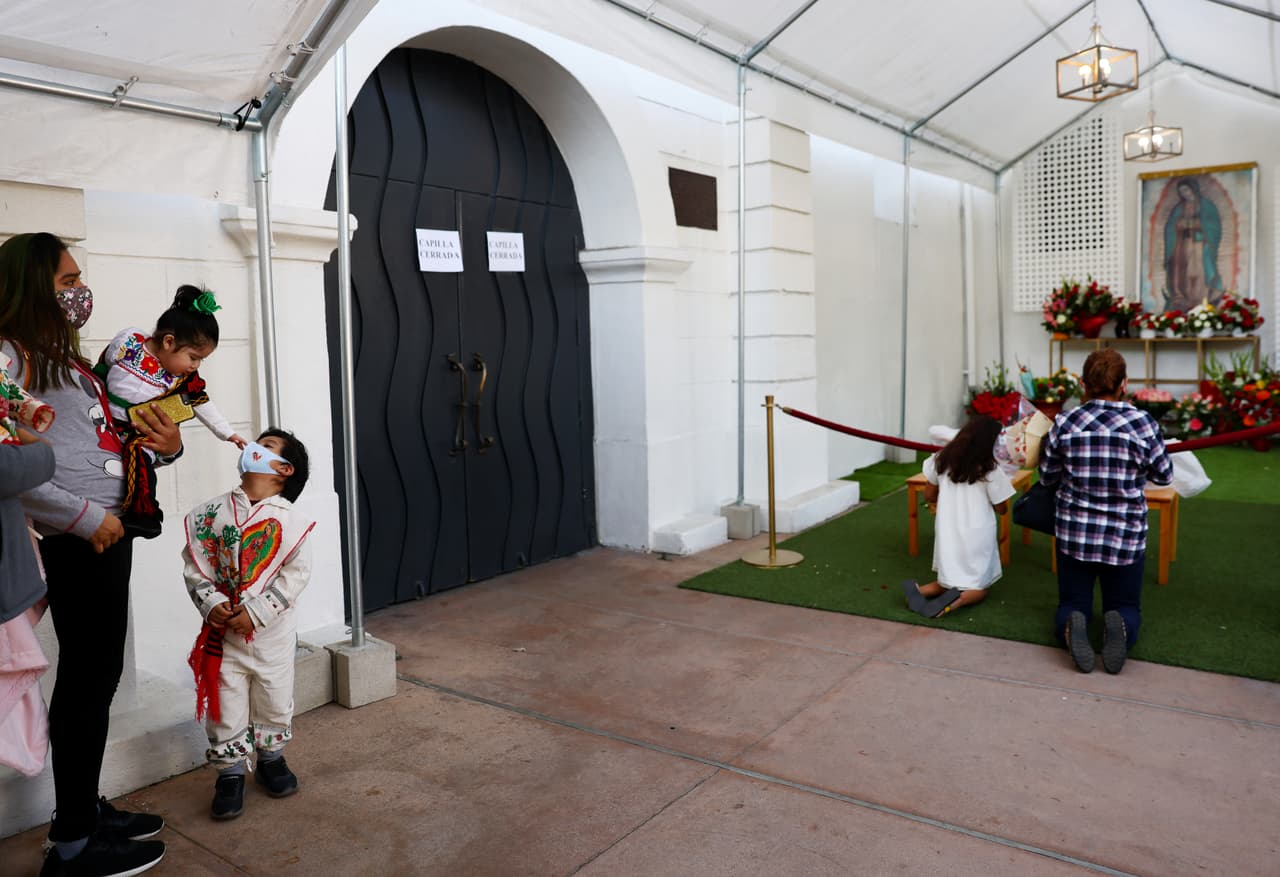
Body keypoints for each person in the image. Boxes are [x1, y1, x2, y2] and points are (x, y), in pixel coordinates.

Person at [1, 232, 174, 877]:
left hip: (106, 533)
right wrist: (83, 515)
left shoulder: (63, 359)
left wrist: (163, 445)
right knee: (85, 679)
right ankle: (72, 843)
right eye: (66, 280)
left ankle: (84, 809)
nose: (79, 290)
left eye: (79, 278)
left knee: (94, 678)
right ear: (29, 287)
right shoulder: (7, 358)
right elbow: (6, 461)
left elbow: (98, 442)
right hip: (74, 539)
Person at [183, 428, 313, 821]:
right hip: (224, 636)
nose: (254, 449)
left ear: (284, 469)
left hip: (271, 635)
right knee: (225, 700)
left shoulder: (294, 522)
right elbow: (195, 567)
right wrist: (213, 604)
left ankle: (272, 758)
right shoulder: (211, 514)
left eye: (267, 447)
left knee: (274, 694)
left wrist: (257, 612)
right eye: (256, 442)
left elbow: (295, 575)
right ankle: (230, 773)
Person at [1039, 349, 1174, 674]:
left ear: (1083, 384)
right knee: (1126, 605)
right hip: (1125, 536)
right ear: (1124, 384)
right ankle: (1122, 626)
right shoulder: (1143, 423)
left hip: (1075, 533)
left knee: (1072, 603)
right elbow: (1164, 475)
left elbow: (1047, 476)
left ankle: (1073, 624)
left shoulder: (1066, 421)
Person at [99, 285, 245, 539]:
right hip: (101, 428)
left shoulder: (180, 380)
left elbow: (201, 403)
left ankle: (145, 517)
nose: (195, 366)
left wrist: (227, 433)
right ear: (168, 341)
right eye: (193, 357)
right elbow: (103, 363)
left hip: (137, 436)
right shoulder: (129, 340)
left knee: (143, 471)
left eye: (201, 360)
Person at [902, 415, 1016, 618]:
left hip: (948, 527)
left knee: (949, 576)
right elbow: (1002, 508)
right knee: (980, 586)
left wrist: (938, 502)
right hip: (978, 531)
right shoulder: (990, 469)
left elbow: (929, 494)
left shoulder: (941, 460)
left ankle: (920, 591)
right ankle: (955, 602)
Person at [1163, 177, 1223, 312]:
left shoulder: (1206, 206)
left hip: (1199, 245)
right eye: (1181, 191)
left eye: (1186, 190)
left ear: (1193, 188)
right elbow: (1170, 228)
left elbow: (1214, 227)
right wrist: (1179, 225)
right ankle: (1181, 300)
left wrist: (1197, 224)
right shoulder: (1178, 209)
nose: (1184, 193)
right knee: (1180, 273)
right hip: (1181, 245)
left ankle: (1199, 302)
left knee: (1197, 272)